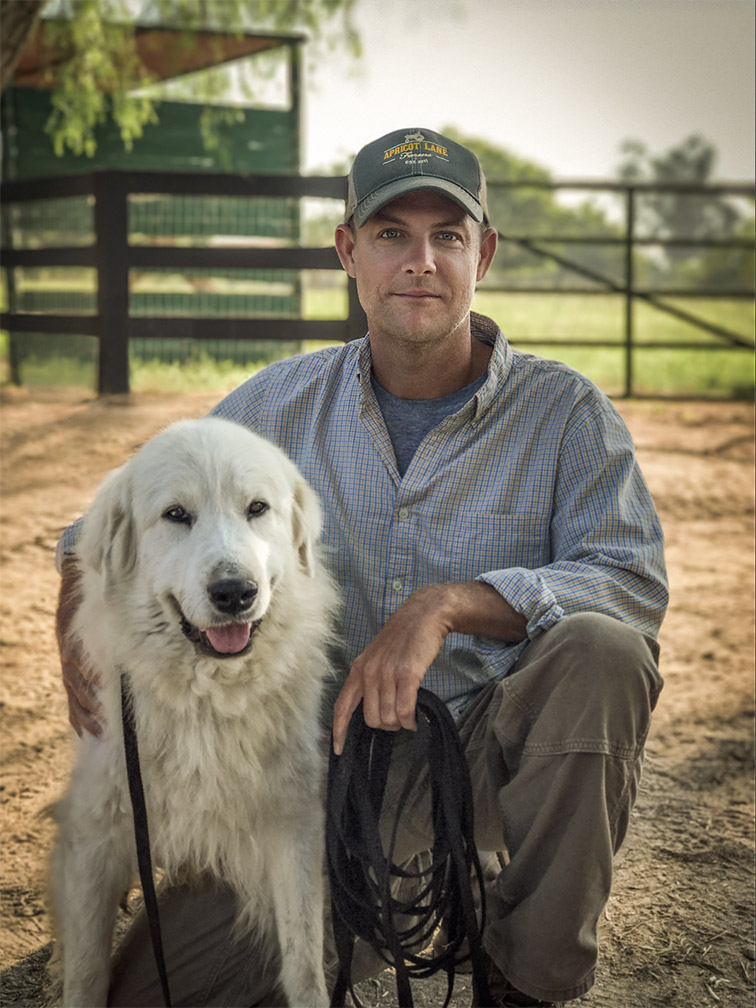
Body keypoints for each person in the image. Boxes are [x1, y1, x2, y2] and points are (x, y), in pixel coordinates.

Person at [57, 127, 667, 1008]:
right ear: (349, 251)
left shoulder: (568, 414)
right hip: (327, 781)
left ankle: (526, 978)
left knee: (604, 653)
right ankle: (368, 899)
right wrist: (69, 597)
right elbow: (109, 522)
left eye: (446, 236)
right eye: (390, 235)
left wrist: (448, 606)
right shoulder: (274, 403)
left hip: (497, 748)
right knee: (155, 995)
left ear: (482, 254)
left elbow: (630, 581)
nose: (420, 261)